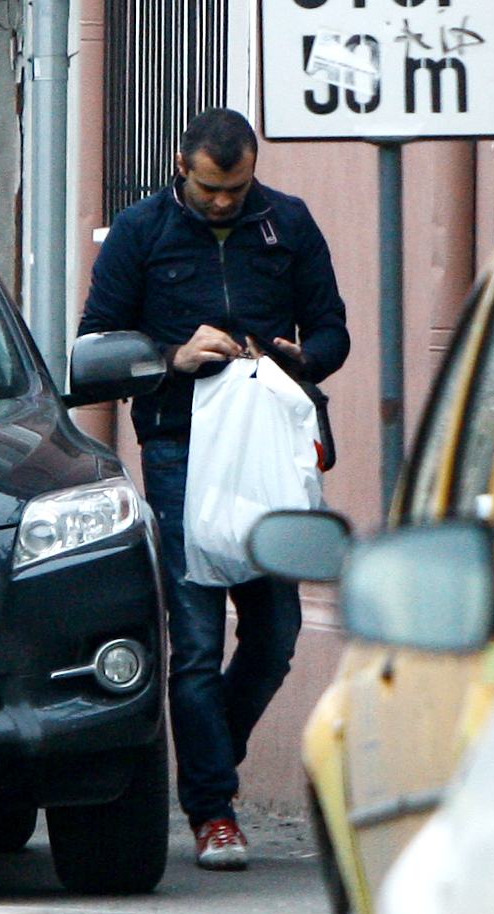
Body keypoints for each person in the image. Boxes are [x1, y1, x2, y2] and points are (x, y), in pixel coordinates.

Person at [78, 109, 349, 871]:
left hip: (270, 444)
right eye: (210, 188)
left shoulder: (286, 223)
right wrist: (174, 354)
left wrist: (303, 356)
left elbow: (334, 328)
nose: (225, 201)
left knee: (275, 634)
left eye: (237, 187)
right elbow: (98, 340)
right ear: (180, 165)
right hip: (180, 446)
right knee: (196, 640)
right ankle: (212, 810)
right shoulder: (141, 231)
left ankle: (209, 758)